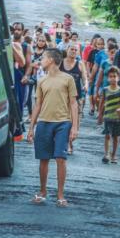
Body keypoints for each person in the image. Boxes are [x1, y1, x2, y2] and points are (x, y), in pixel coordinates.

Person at [27, 49, 78, 207]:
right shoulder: (41, 80)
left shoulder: (68, 79)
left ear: (51, 60)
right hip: (44, 122)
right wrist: (31, 127)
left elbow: (73, 103)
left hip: (63, 122)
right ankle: (43, 192)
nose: (40, 60)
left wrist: (75, 127)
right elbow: (38, 104)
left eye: (43, 58)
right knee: (43, 159)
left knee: (61, 159)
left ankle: (60, 195)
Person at [60, 44, 88, 154]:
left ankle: (70, 142)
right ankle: (67, 144)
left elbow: (85, 78)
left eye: (75, 50)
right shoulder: (61, 63)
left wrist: (86, 85)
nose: (73, 51)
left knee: (74, 122)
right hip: (62, 97)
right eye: (71, 49)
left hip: (76, 98)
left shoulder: (80, 64)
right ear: (67, 50)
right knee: (64, 120)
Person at [97, 67, 120, 164]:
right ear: (107, 78)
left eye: (114, 76)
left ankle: (113, 154)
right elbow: (101, 103)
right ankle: (107, 154)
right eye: (110, 76)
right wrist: (100, 115)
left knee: (115, 137)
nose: (113, 78)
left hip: (117, 118)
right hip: (107, 117)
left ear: (118, 77)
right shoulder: (105, 90)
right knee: (107, 135)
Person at [86, 36, 106, 115]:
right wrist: (89, 73)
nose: (100, 46)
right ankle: (91, 106)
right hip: (92, 73)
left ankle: (98, 107)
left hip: (100, 75)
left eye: (102, 44)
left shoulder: (105, 53)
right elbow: (88, 63)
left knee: (97, 92)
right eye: (99, 44)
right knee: (91, 91)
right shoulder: (93, 52)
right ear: (96, 44)